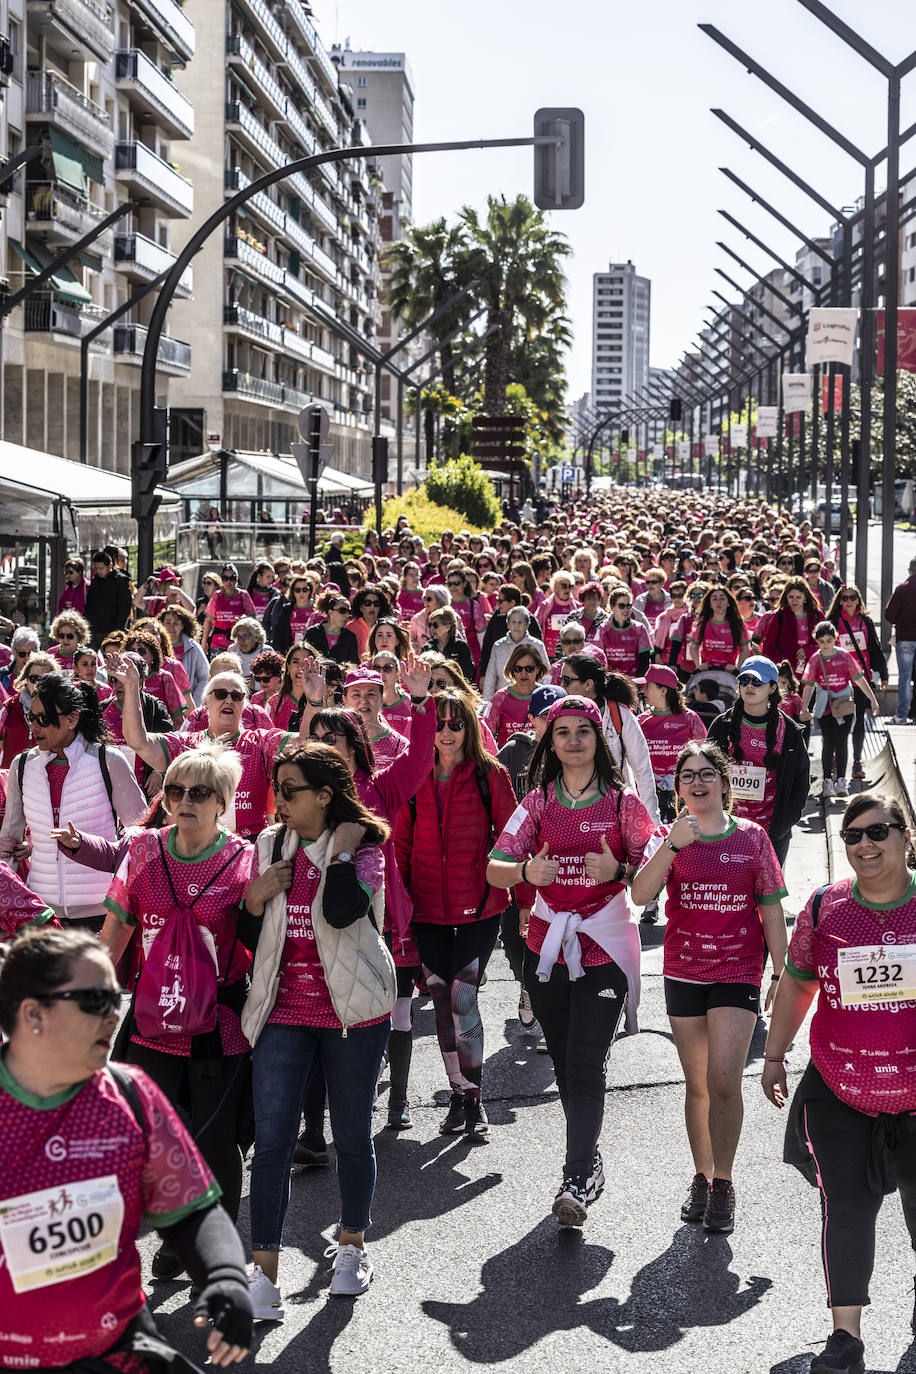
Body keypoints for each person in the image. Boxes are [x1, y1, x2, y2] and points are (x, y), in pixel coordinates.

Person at [0, 926, 252, 1369]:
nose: (114, 1016)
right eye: (95, 1002)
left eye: (116, 1000)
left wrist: (225, 1276)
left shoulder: (130, 1095)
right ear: (33, 1014)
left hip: (121, 1354)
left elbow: (191, 1211)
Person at [487, 695, 656, 1227]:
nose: (575, 740)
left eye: (585, 730)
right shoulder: (537, 802)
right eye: (563, 732)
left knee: (585, 1062)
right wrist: (524, 876)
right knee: (563, 1064)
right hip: (547, 950)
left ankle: (575, 1177)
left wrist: (620, 870)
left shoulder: (624, 802)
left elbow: (653, 873)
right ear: (551, 741)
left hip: (604, 945)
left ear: (598, 739)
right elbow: (495, 866)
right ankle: (590, 1163)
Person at [763, 792, 916, 1374]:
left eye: (878, 832)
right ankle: (844, 1338)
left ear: (905, 836)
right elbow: (799, 984)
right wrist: (774, 1055)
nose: (865, 845)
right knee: (846, 1210)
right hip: (841, 1088)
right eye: (852, 836)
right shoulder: (826, 908)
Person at [239, 743, 393, 1307]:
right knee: (274, 1141)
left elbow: (339, 911)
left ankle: (351, 1247)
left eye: (290, 789)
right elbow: (251, 939)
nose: (278, 799)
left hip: (353, 1013)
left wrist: (343, 853)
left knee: (352, 1135)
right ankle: (264, 1274)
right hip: (282, 1011)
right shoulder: (267, 845)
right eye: (276, 787)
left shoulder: (364, 845)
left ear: (325, 796)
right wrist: (253, 900)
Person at [99, 742, 254, 1276]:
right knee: (157, 1143)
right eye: (175, 790)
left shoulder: (246, 860)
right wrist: (89, 1001)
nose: (185, 800)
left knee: (215, 1142)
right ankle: (175, 1238)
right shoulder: (142, 851)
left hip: (219, 1028)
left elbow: (266, 941)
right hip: (152, 1022)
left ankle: (221, 1255)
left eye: (200, 792)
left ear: (223, 802)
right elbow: (115, 931)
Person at [631, 741, 788, 1237]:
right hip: (682, 971)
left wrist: (781, 973)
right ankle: (701, 1176)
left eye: (706, 774)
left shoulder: (753, 838)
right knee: (696, 1085)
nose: (697, 783)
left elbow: (771, 909)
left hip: (737, 970)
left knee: (723, 1079)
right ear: (677, 787)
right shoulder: (670, 836)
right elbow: (640, 894)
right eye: (687, 776)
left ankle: (724, 1182)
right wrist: (672, 844)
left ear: (724, 781)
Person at [394, 689, 515, 1139]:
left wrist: (505, 893)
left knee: (464, 996)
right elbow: (401, 845)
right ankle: (459, 1095)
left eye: (454, 723)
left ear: (469, 726)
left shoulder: (490, 775)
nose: (445, 732)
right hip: (425, 910)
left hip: (478, 909)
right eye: (438, 724)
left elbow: (510, 838)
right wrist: (401, 906)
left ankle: (474, 1099)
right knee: (442, 999)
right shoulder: (414, 775)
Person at [0, 674, 146, 928]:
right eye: (31, 718)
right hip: (41, 911)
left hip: (102, 911)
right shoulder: (21, 765)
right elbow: (10, 839)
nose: (34, 727)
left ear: (72, 719)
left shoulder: (108, 761)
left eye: (43, 720)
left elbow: (141, 835)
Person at [107, 655, 306, 840]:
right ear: (206, 703)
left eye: (236, 696)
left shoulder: (261, 742)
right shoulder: (186, 745)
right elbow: (139, 741)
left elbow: (304, 743)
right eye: (220, 694)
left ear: (243, 705)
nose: (229, 699)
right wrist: (132, 688)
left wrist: (314, 701)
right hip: (197, 848)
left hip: (250, 848)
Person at [707, 655, 810, 866]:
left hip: (772, 831)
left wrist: (783, 824)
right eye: (744, 680)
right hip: (725, 828)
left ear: (772, 688)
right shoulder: (721, 725)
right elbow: (705, 772)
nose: (749, 686)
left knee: (766, 897)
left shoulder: (789, 731)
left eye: (757, 681)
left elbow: (801, 783)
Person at [635, 664, 707, 923]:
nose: (643, 690)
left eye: (648, 686)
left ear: (664, 690)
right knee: (655, 848)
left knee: (687, 848)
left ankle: (688, 900)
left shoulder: (689, 719)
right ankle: (651, 903)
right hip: (650, 796)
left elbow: (705, 757)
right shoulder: (641, 721)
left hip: (682, 796)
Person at [556, 653, 660, 824]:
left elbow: (642, 770)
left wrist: (652, 822)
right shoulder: (558, 714)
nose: (561, 685)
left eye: (566, 680)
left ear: (588, 684)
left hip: (616, 812)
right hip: (573, 811)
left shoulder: (620, 714)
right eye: (560, 679)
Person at [800, 621, 880, 800]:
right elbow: (809, 686)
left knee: (842, 741)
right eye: (822, 641)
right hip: (825, 707)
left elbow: (860, 680)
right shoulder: (815, 659)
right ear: (817, 641)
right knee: (828, 742)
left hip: (844, 706)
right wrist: (804, 706)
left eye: (829, 640)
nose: (826, 645)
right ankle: (827, 781)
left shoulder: (844, 656)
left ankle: (842, 780)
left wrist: (872, 700)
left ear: (835, 638)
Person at [826, 584, 889, 779]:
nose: (849, 602)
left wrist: (884, 673)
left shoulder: (866, 622)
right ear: (839, 601)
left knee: (860, 719)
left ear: (858, 600)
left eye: (852, 598)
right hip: (839, 681)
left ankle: (856, 761)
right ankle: (838, 757)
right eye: (844, 598)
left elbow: (874, 648)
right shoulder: (833, 622)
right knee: (840, 720)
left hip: (861, 679)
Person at [485, 643, 548, 749]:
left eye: (529, 669)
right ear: (512, 671)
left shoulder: (546, 696)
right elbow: (485, 734)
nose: (523, 673)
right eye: (518, 669)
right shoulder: (499, 698)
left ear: (537, 669)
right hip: (507, 760)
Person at [0, 650, 56, 767]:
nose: (38, 684)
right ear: (26, 679)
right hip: (13, 775)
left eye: (44, 679)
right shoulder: (9, 708)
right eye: (34, 679)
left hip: (49, 774)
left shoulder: (62, 710)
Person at [482, 604, 549, 700]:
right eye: (513, 622)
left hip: (531, 699)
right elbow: (490, 678)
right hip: (504, 699)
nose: (516, 626)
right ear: (508, 624)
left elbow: (545, 676)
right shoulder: (498, 646)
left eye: (520, 622)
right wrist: (487, 705)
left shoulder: (537, 646)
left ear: (527, 625)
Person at [688, 586, 750, 674]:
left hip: (729, 672)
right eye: (714, 599)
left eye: (722, 598)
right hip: (707, 671)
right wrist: (699, 665)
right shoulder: (703, 622)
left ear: (728, 603)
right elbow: (693, 647)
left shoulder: (737, 623)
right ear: (710, 604)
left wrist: (737, 667)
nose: (719, 602)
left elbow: (745, 649)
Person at [884, 556, 916, 723]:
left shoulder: (902, 589)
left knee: (904, 677)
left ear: (910, 570)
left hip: (905, 639)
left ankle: (902, 715)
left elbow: (889, 615)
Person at [597, 587, 653, 677]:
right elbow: (599, 659)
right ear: (612, 607)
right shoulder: (603, 629)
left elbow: (644, 661)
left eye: (629, 605)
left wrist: (636, 683)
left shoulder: (640, 628)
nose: (626, 609)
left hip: (633, 680)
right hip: (611, 681)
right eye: (621, 606)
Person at [202, 565, 256, 658]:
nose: (229, 581)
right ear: (222, 580)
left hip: (238, 643)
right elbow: (208, 621)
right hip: (218, 643)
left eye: (232, 578)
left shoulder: (243, 595)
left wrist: (244, 620)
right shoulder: (217, 596)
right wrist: (204, 642)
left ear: (237, 579)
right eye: (225, 578)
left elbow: (253, 619)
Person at [161, 604, 210, 705]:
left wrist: (195, 702)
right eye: (168, 623)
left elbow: (205, 677)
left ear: (182, 626)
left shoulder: (193, 646)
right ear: (161, 625)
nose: (171, 627)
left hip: (187, 704)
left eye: (176, 623)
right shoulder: (156, 646)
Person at [85, 548, 132, 648]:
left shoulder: (121, 581)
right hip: (95, 628)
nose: (98, 571)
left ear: (110, 565)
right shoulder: (95, 581)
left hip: (112, 629)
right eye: (96, 568)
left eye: (101, 568)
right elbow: (89, 604)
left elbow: (125, 607)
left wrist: (117, 629)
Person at [303, 591, 360, 663]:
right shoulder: (312, 633)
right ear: (330, 612)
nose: (347, 615)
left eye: (349, 612)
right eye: (342, 610)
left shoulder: (350, 637)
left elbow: (353, 664)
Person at [423, 606, 475, 681]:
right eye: (430, 625)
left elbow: (468, 673)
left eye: (435, 625)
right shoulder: (427, 648)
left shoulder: (461, 647)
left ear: (447, 627)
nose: (432, 628)